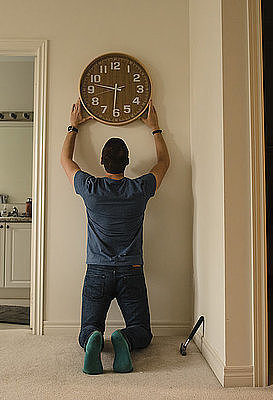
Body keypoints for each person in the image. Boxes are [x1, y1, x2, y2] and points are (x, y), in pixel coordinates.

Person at [60, 98, 170, 375]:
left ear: (102, 161)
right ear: (127, 162)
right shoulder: (139, 188)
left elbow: (66, 160)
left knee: (87, 330)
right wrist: (155, 128)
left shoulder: (90, 188)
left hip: (97, 270)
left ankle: (94, 341)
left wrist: (73, 126)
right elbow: (164, 162)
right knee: (142, 332)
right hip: (130, 271)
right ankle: (125, 338)